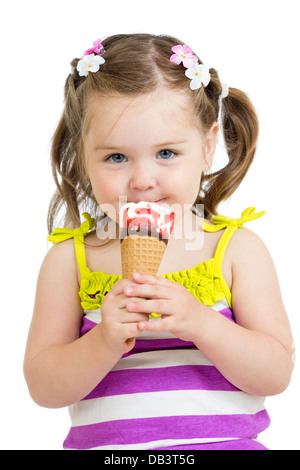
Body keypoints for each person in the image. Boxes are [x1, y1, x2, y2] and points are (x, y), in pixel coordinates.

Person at [23, 34, 294, 450]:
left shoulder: (237, 250)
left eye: (166, 153)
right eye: (116, 157)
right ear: (82, 157)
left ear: (206, 148)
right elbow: (44, 388)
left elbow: (276, 374)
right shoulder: (71, 261)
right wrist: (103, 340)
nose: (143, 180)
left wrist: (202, 324)